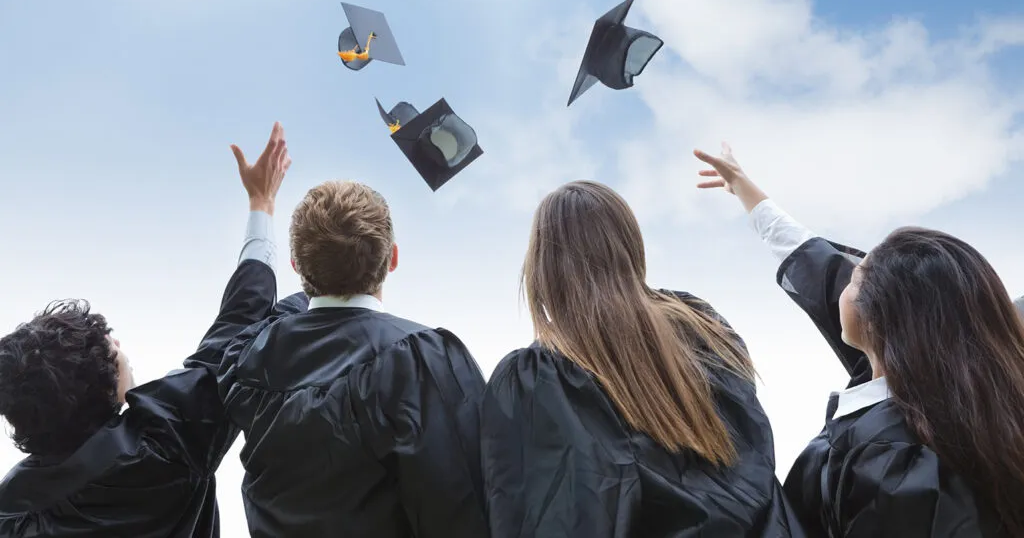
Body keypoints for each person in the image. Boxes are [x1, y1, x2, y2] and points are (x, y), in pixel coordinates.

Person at [695, 144, 1024, 537]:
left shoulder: (894, 468)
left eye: (856, 277)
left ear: (879, 318)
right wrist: (746, 190)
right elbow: (817, 264)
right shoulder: (952, 383)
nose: (845, 276)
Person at [0, 122, 297, 536]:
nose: (118, 344)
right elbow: (238, 328)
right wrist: (261, 203)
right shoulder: (161, 450)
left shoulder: (12, 514)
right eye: (109, 345)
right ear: (99, 388)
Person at [480, 180, 806, 537]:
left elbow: (548, 517)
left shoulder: (536, 379)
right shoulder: (702, 327)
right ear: (629, 246)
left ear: (543, 265)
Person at [216, 179, 490, 538]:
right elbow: (466, 503)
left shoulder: (250, 358)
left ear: (296, 265)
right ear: (392, 258)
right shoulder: (422, 360)